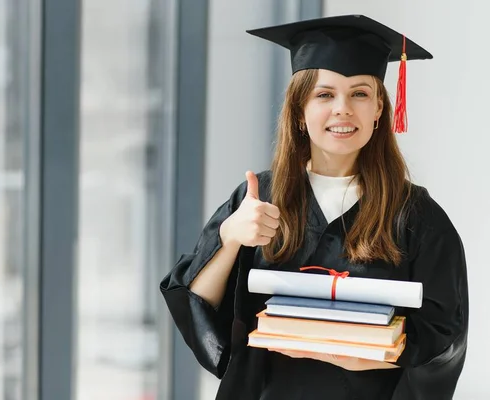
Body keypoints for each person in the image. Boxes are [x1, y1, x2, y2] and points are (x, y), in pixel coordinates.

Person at [160, 14, 469, 400]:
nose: (343, 109)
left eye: (359, 93)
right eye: (324, 95)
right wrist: (230, 238)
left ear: (379, 110)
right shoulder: (258, 198)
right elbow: (197, 306)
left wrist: (364, 353)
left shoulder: (416, 215)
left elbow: (445, 336)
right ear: (299, 111)